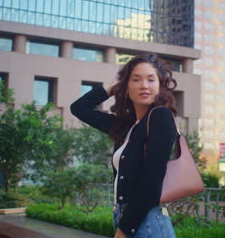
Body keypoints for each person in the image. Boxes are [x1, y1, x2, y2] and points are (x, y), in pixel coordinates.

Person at [70, 54, 178, 238]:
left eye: (151, 80)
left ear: (160, 86)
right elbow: (79, 108)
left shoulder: (161, 117)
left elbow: (152, 183)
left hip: (146, 223)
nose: (144, 85)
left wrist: (124, 229)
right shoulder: (125, 126)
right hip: (125, 217)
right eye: (136, 80)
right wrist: (115, 84)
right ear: (126, 87)